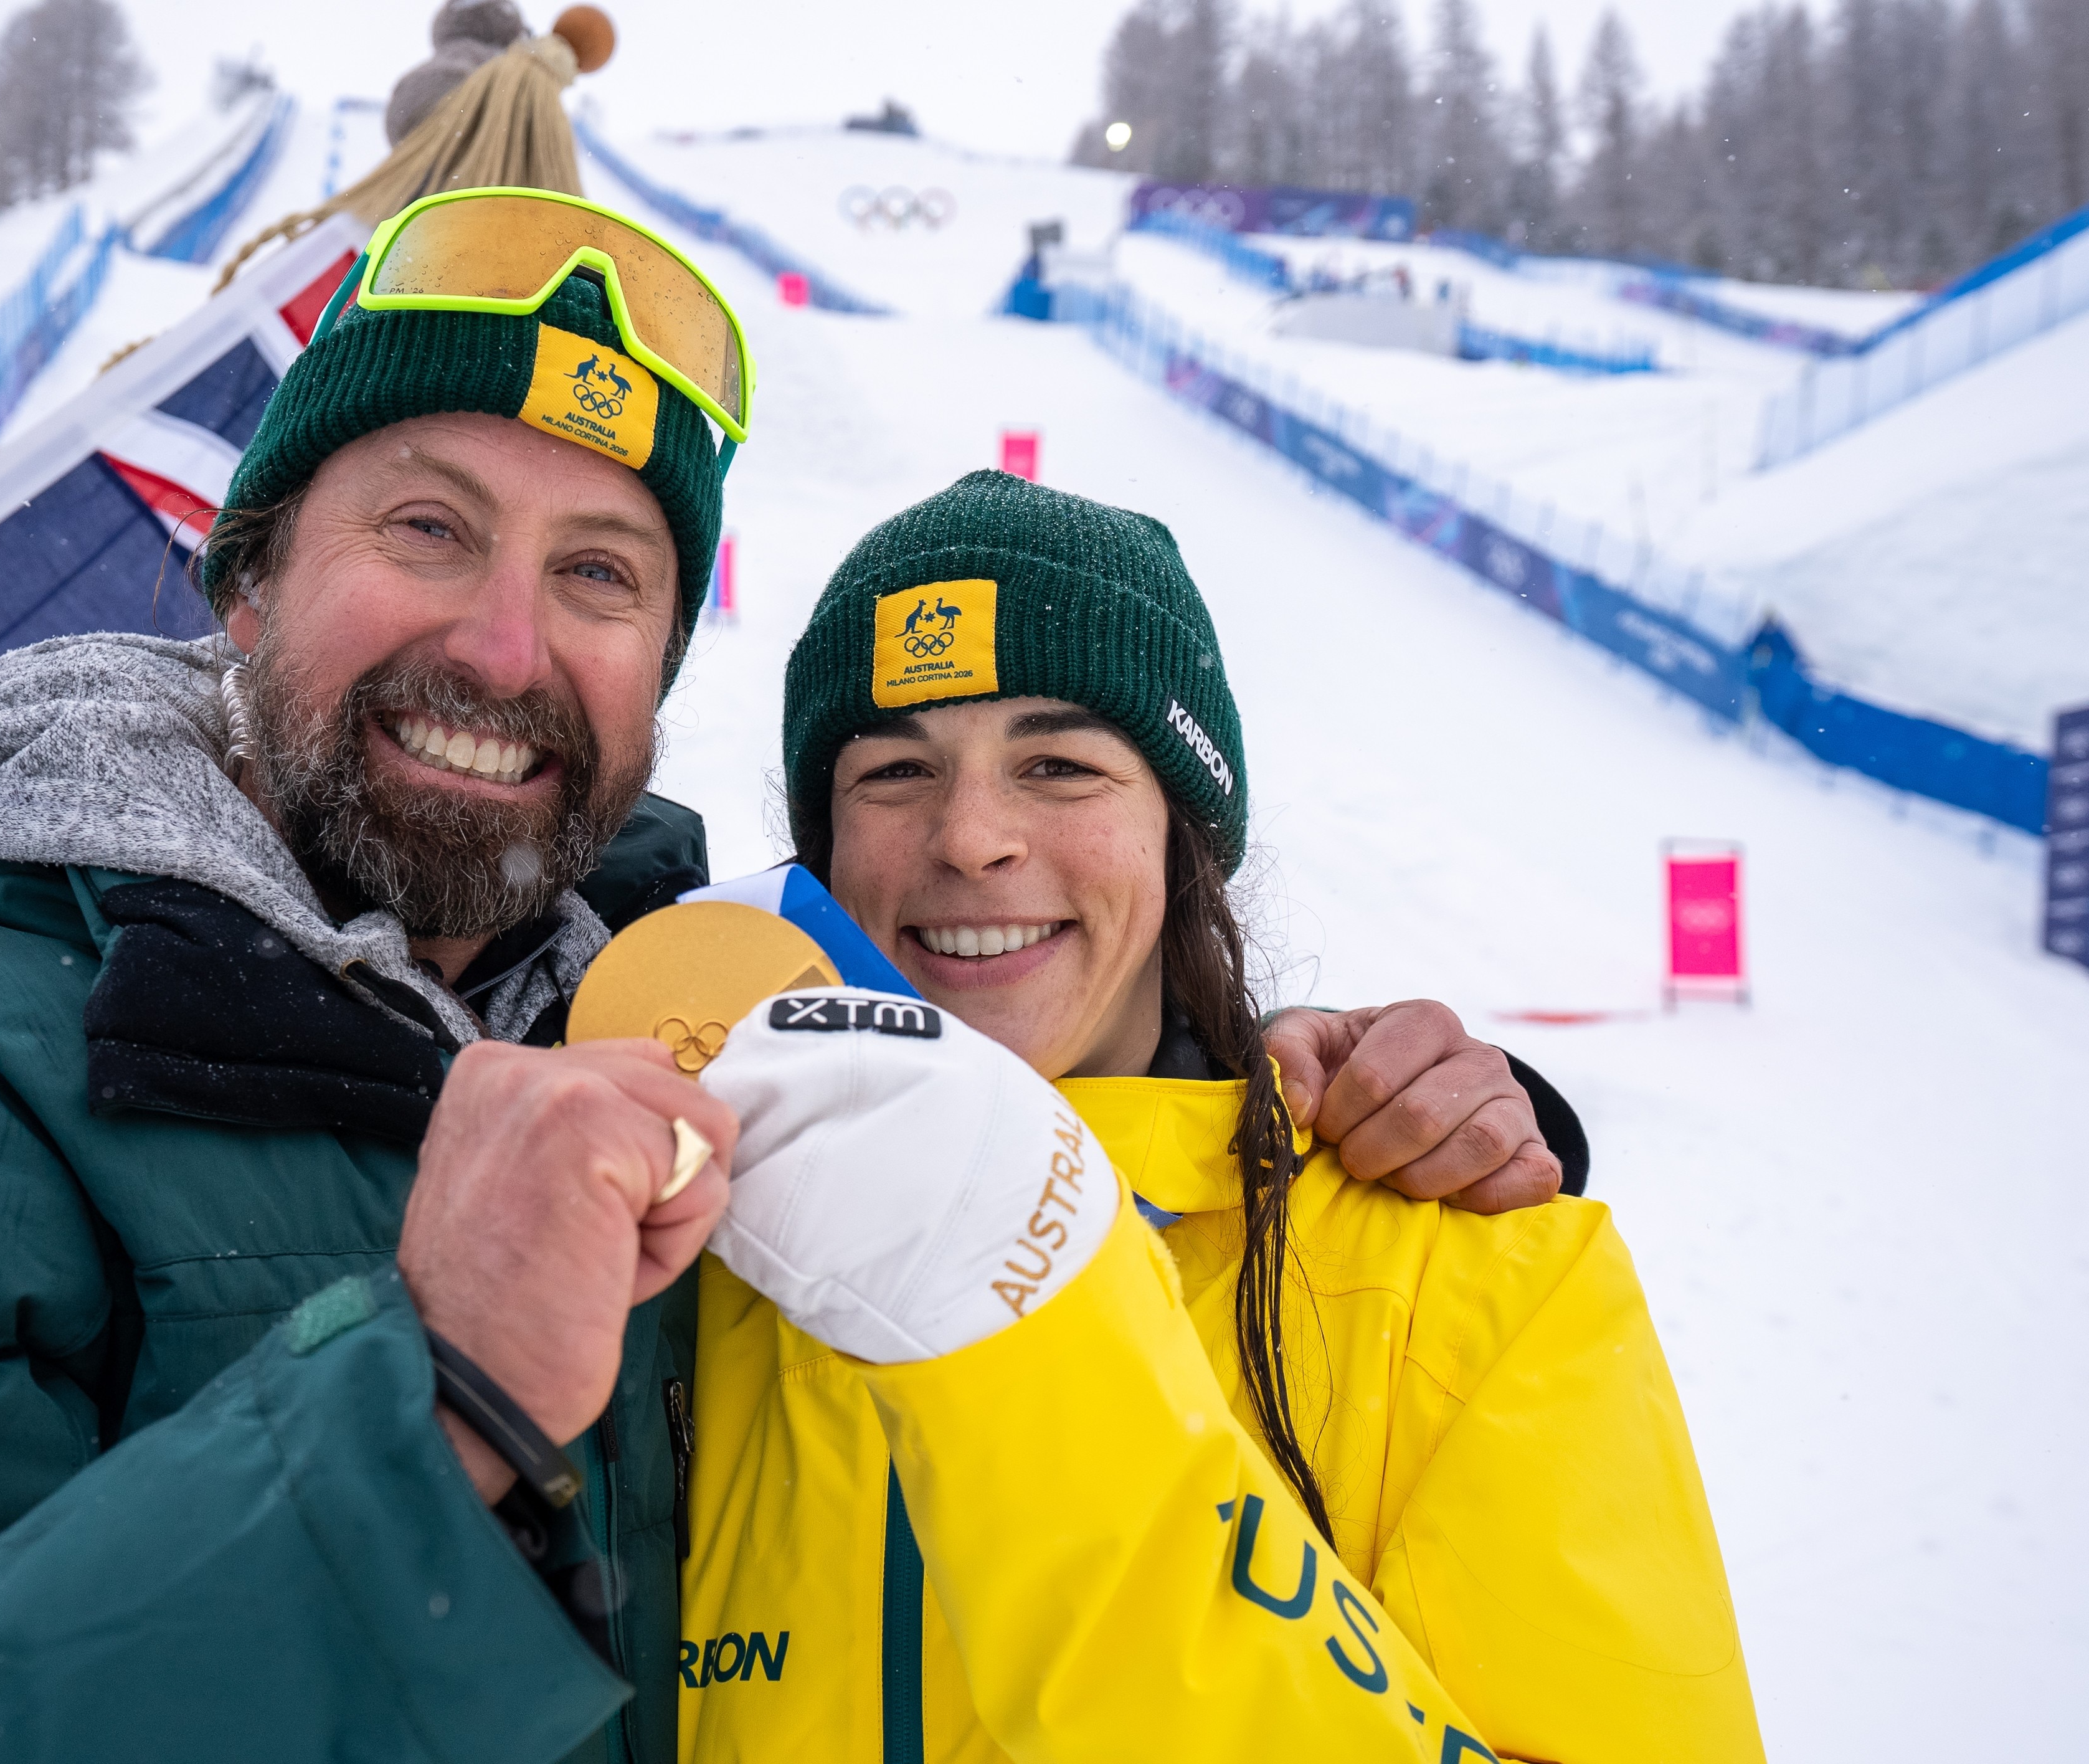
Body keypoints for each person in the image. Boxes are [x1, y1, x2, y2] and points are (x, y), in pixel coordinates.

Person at [0, 195, 1571, 1764]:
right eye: (428, 528)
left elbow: (1028, 1038)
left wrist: (1320, 1094)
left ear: (660, 670)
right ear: (248, 568)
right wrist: (424, 1406)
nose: (499, 646)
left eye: (599, 576)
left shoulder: (696, 1015)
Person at [675, 471, 1765, 1762]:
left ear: (1181, 834)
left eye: (1058, 764)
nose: (969, 837)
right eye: (896, 771)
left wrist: (1021, 1337)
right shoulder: (695, 1241)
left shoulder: (1476, 1284)